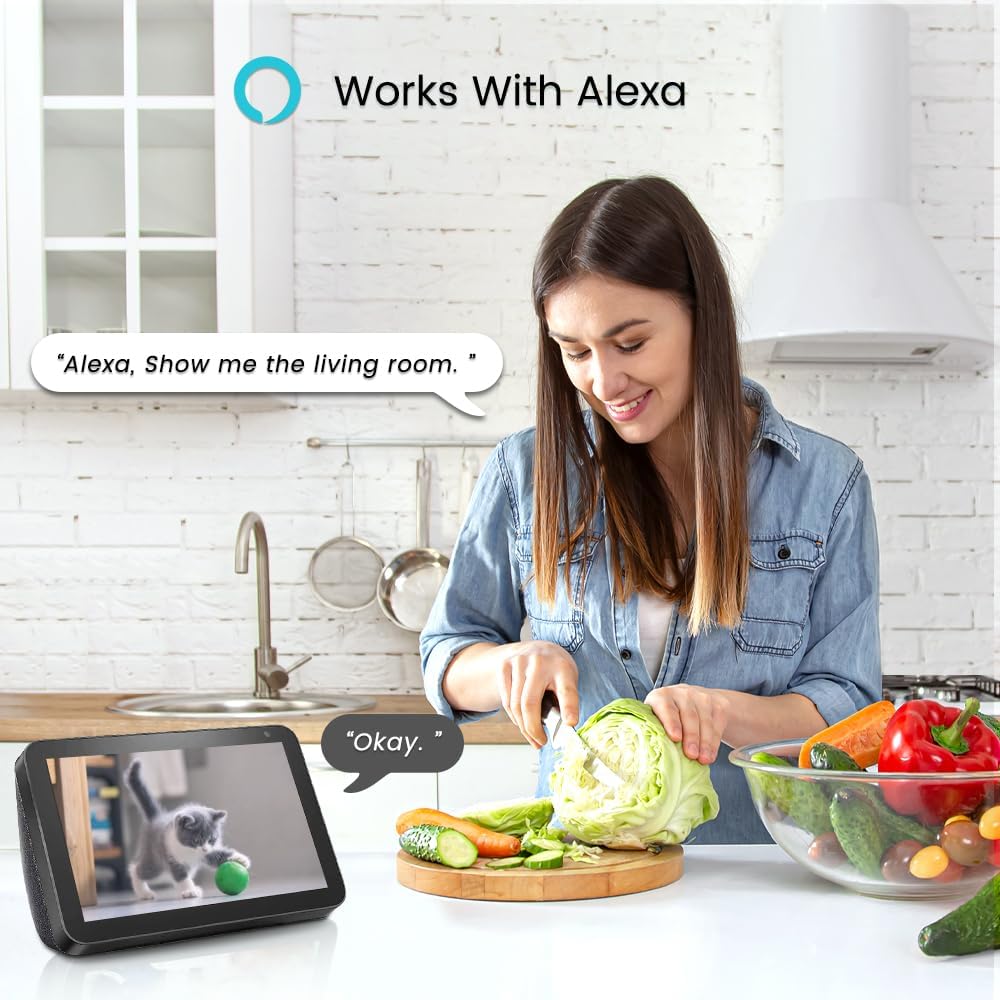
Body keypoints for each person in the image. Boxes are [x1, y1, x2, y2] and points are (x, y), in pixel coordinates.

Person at [419, 176, 881, 843]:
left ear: (701, 316)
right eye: (575, 352)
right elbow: (447, 655)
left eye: (631, 343)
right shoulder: (526, 471)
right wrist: (507, 666)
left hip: (757, 871)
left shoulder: (826, 482)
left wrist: (726, 713)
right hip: (586, 868)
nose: (605, 383)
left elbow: (848, 707)